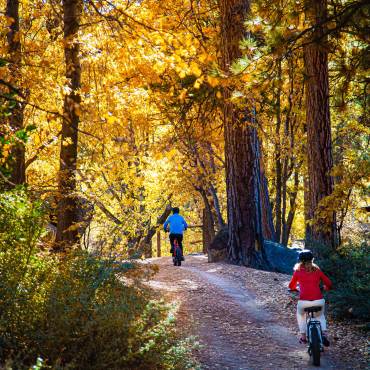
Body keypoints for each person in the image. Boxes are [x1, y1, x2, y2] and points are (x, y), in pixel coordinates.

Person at [289, 249, 332, 346]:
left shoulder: (297, 272)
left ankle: (303, 337)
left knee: (301, 315)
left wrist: (296, 288)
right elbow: (329, 283)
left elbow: (291, 286)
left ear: (300, 261)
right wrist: (326, 287)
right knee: (320, 315)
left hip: (304, 302)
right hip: (319, 301)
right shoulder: (317, 270)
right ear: (312, 260)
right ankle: (324, 334)